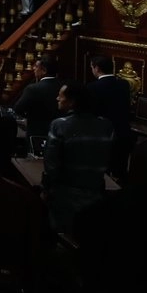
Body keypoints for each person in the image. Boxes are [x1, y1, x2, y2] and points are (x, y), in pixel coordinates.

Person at [43, 82, 114, 232]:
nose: (57, 98)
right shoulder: (106, 125)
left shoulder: (59, 125)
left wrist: (49, 189)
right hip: (96, 194)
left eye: (61, 96)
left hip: (64, 196)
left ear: (72, 101)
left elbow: (51, 164)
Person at [87, 54, 134, 177]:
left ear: (97, 68)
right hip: (123, 132)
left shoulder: (92, 87)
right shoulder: (124, 84)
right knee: (120, 170)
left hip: (102, 135)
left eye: (92, 67)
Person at [14, 55, 62, 140]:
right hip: (59, 133)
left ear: (44, 70)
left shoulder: (32, 88)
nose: (33, 68)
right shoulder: (63, 87)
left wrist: (30, 115)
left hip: (36, 134)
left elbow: (18, 109)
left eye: (36, 66)